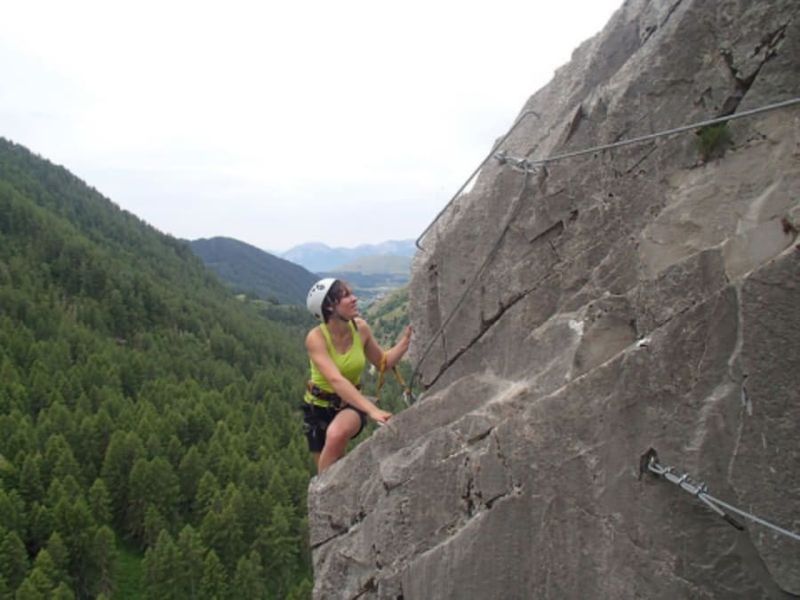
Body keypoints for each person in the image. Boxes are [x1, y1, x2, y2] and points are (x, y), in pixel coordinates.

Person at [303, 278, 412, 473]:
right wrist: (372, 410)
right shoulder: (316, 338)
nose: (354, 299)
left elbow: (382, 363)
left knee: (336, 435)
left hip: (350, 403)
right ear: (329, 306)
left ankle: (321, 496)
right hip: (317, 409)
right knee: (329, 468)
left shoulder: (360, 328)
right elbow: (335, 380)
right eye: (346, 296)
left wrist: (405, 342)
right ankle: (329, 499)